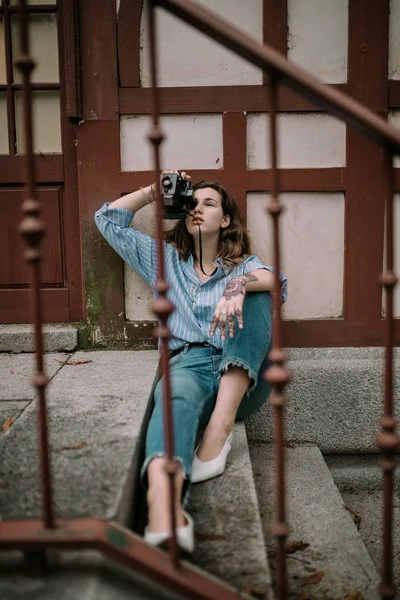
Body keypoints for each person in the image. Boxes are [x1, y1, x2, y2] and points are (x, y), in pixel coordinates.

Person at [95, 170, 287, 554]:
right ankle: (164, 510)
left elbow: (276, 280)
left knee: (256, 289)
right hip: (190, 364)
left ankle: (218, 430)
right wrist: (155, 192)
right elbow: (107, 221)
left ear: (227, 219)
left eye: (209, 203)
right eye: (192, 203)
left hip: (245, 374)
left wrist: (237, 283)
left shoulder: (244, 264)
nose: (198, 209)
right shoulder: (165, 262)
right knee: (174, 396)